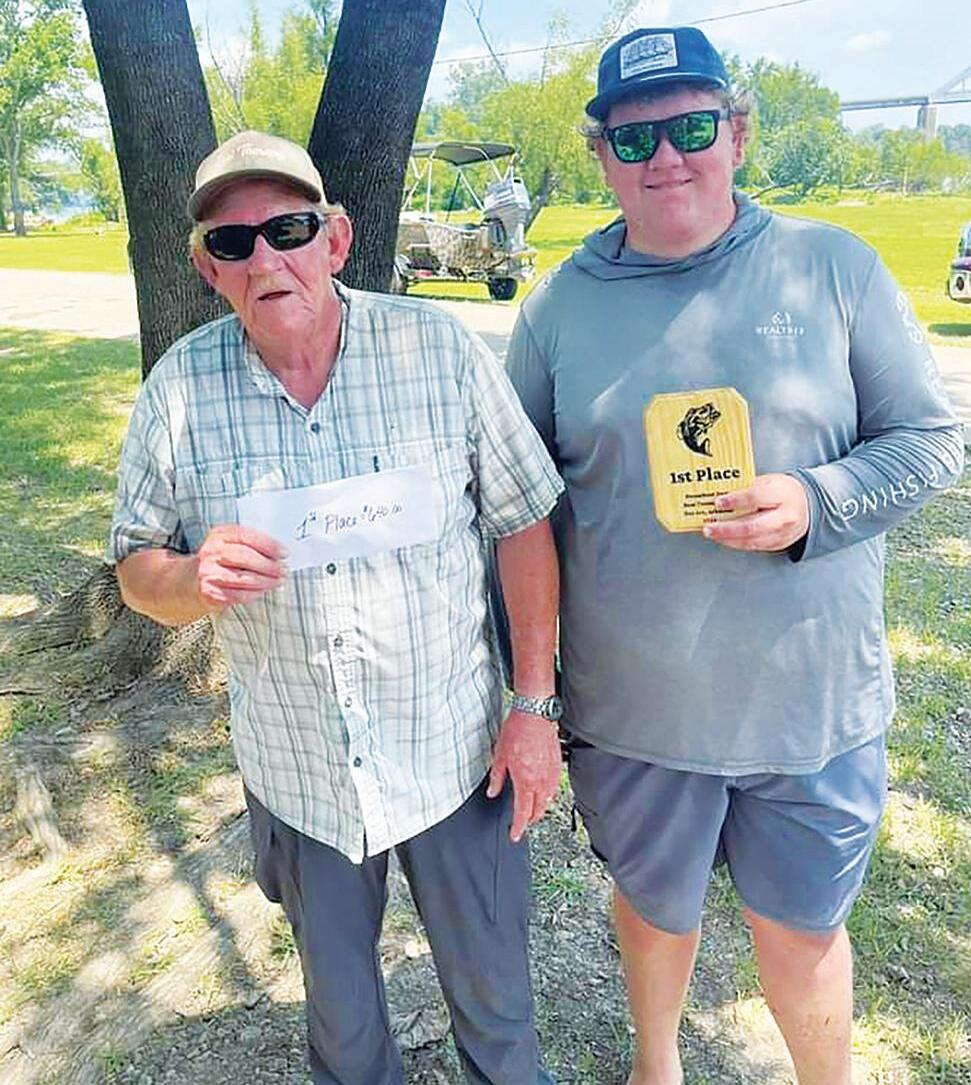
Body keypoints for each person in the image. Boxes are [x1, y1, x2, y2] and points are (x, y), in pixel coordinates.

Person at [505, 26, 965, 1085]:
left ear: (738, 134)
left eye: (692, 127)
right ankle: (655, 1065)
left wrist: (816, 498)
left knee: (800, 931)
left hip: (809, 706)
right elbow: (517, 507)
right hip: (634, 716)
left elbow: (931, 441)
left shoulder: (831, 268)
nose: (665, 156)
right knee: (652, 909)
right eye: (634, 138)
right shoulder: (556, 310)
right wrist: (528, 692)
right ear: (600, 155)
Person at [107, 130, 565, 1085]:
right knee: (345, 1036)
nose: (265, 258)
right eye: (233, 242)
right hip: (299, 769)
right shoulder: (178, 390)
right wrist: (188, 580)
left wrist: (532, 706)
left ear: (337, 239)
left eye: (289, 229)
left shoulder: (437, 350)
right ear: (207, 268)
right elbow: (135, 567)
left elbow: (523, 520)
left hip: (455, 753)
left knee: (497, 1013)